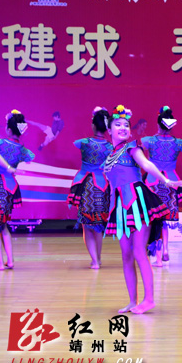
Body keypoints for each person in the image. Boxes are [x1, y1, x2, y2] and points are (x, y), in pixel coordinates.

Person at [103, 105, 181, 314]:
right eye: (117, 124)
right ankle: (132, 300)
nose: (122, 127)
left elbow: (147, 165)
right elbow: (112, 186)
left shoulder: (132, 147)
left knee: (139, 251)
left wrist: (165, 181)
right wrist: (111, 212)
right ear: (109, 130)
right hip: (120, 208)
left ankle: (149, 300)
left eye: (126, 125)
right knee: (126, 255)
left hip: (138, 202)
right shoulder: (109, 156)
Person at [141, 106, 182, 267]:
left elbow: (142, 145)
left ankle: (158, 258)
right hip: (170, 183)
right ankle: (166, 249)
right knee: (164, 220)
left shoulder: (149, 141)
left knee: (155, 220)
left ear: (158, 124)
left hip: (153, 182)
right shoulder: (178, 143)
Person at [67, 107, 113, 269]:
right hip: (102, 186)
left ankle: (94, 260)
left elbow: (75, 143)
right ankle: (98, 259)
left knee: (87, 226)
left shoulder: (84, 143)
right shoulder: (110, 147)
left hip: (86, 186)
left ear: (93, 125)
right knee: (98, 225)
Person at [0, 110, 34, 270]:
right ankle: (10, 261)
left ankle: (0, 264)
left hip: (0, 184)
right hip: (10, 187)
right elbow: (30, 158)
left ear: (8, 129)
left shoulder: (1, 143)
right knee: (3, 225)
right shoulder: (22, 149)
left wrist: (7, 166)